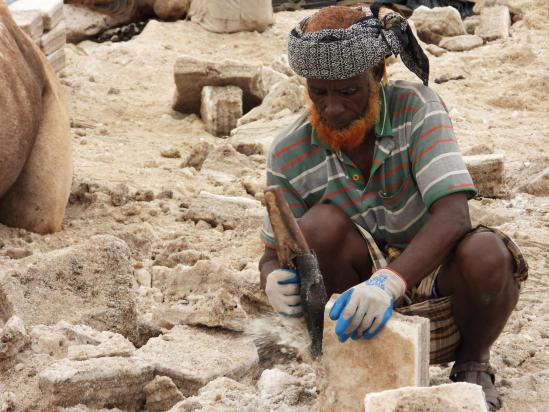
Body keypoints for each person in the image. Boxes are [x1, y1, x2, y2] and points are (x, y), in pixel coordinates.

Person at [258, 5, 528, 411]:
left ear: (377, 76)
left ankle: (472, 364)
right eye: (319, 91)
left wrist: (389, 282)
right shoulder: (289, 150)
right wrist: (271, 281)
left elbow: (455, 215)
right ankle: (354, 364)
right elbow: (273, 252)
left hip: (439, 289)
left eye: (348, 91)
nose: (331, 108)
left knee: (488, 253)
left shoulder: (416, 108)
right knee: (319, 226)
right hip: (353, 313)